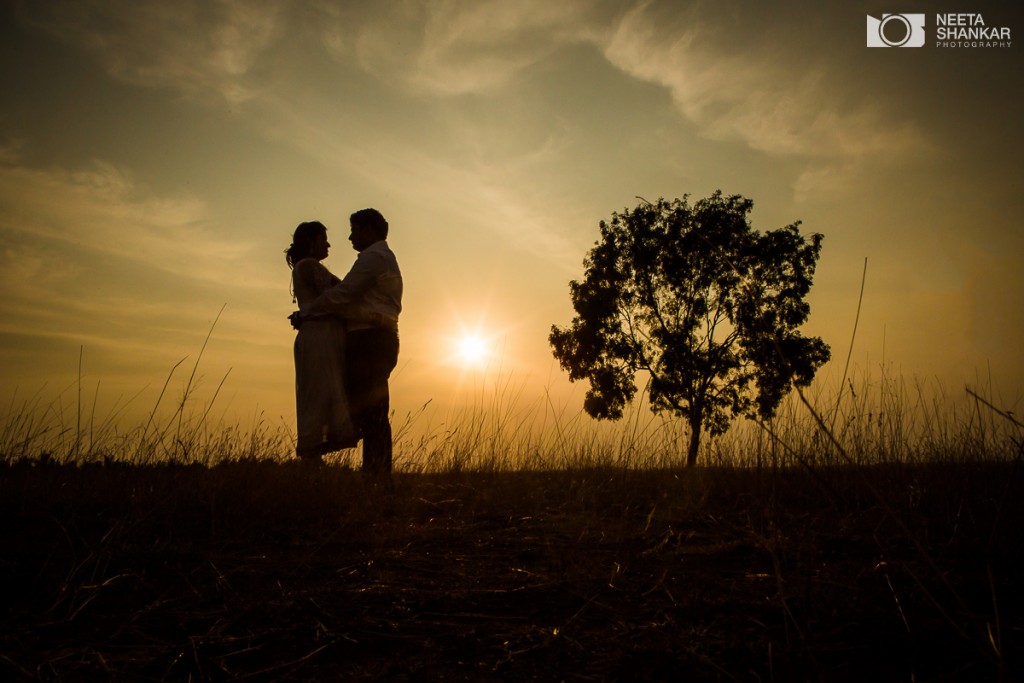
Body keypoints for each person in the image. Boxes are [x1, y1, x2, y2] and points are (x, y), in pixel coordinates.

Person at [303, 208, 402, 477]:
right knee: (371, 411)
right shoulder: (381, 258)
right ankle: (375, 474)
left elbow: (344, 295)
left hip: (370, 339)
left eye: (354, 230)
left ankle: (376, 476)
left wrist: (307, 313)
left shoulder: (373, 259)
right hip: (378, 337)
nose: (349, 237)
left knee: (372, 412)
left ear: (368, 230)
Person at [285, 221, 358, 461]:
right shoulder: (308, 266)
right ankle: (312, 452)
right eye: (323, 238)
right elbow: (336, 296)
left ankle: (314, 453)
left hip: (322, 334)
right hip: (320, 338)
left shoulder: (307, 267)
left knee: (320, 392)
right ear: (311, 241)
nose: (327, 244)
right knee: (319, 393)